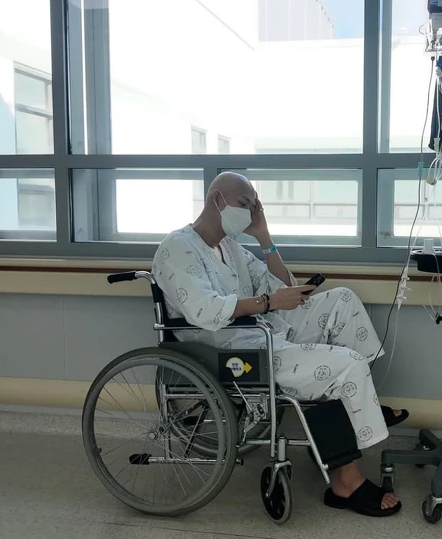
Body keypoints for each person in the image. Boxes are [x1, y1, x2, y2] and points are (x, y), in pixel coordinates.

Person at [152, 172, 407, 517]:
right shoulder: (178, 247)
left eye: (253, 206)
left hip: (264, 330)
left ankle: (355, 405)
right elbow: (204, 310)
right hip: (231, 350)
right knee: (344, 364)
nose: (249, 211)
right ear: (217, 199)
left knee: (342, 300)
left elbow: (282, 286)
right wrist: (269, 303)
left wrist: (264, 237)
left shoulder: (230, 248)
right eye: (244, 204)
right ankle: (346, 480)